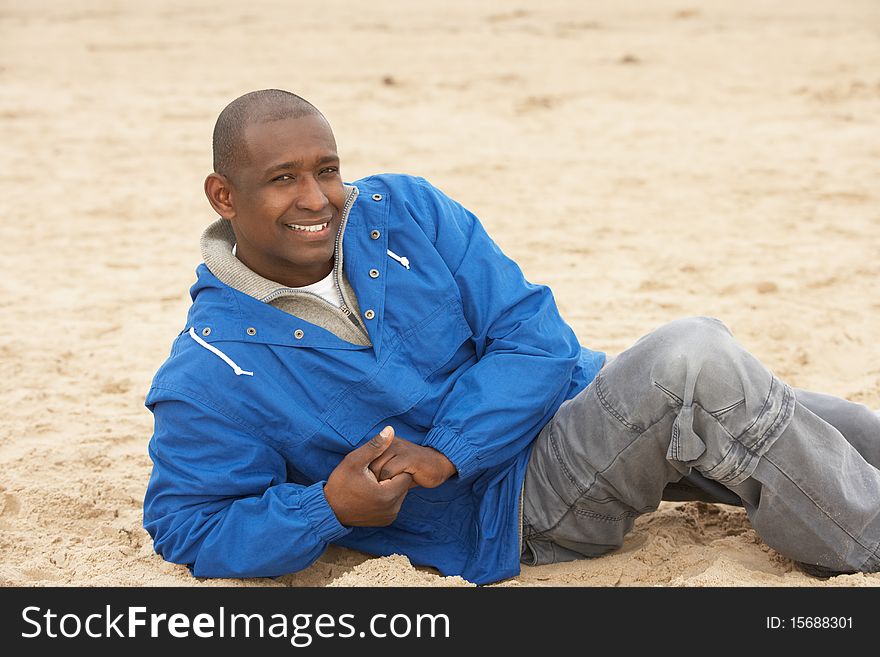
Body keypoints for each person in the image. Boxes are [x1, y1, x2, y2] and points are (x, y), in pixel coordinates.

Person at [142, 89, 880, 584]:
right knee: (691, 359)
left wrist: (446, 448)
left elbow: (536, 335)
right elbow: (187, 523)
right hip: (513, 504)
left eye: (327, 170)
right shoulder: (210, 365)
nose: (316, 198)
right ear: (224, 195)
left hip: (571, 402)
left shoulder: (405, 210)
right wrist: (325, 510)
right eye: (282, 179)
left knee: (845, 427)